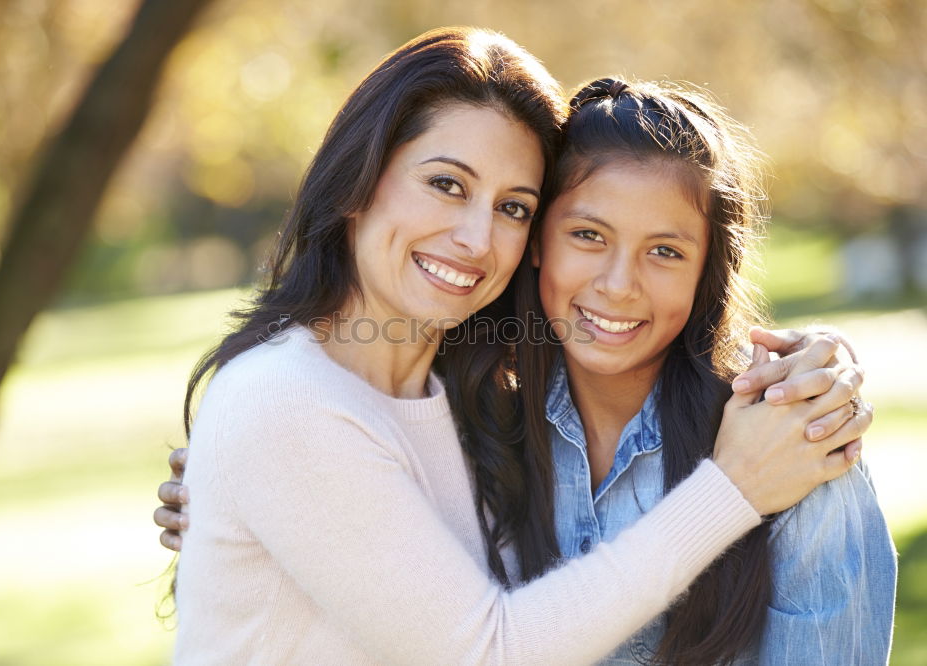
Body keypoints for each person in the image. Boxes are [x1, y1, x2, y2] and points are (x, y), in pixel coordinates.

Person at [161, 28, 872, 664]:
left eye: (513, 208)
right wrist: (734, 489)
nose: (476, 239)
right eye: (446, 184)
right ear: (358, 179)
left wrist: (816, 360)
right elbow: (490, 652)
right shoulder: (286, 401)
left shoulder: (465, 407)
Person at [514, 78, 896, 663]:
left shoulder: (797, 438)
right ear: (538, 240)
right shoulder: (473, 428)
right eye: (588, 235)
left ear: (707, 270)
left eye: (665, 251)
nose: (618, 285)